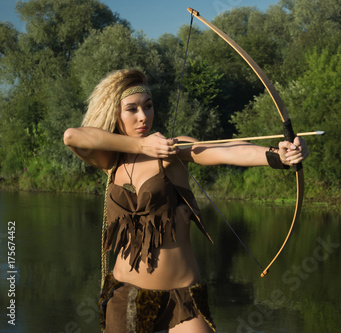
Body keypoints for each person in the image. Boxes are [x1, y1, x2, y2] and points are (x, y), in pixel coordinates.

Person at [63, 69, 309, 333]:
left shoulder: (172, 150)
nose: (143, 116)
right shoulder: (111, 161)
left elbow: (224, 149)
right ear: (116, 115)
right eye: (131, 109)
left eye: (148, 106)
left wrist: (278, 155)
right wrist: (141, 146)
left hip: (183, 301)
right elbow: (72, 136)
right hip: (126, 297)